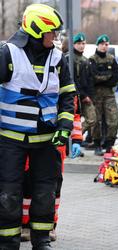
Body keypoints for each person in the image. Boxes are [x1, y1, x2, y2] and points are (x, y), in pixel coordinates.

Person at [0, 4, 76, 250]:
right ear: (36, 31)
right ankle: (8, 241)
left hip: (47, 140)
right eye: (51, 32)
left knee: (45, 192)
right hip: (10, 140)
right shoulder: (8, 54)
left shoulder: (58, 58)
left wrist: (65, 124)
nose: (55, 37)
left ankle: (41, 240)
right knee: (9, 193)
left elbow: (67, 94)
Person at [21, 96, 82, 242]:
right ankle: (25, 225)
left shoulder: (66, 87)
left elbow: (74, 114)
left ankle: (50, 226)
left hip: (55, 145)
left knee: (53, 189)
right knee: (26, 187)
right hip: (29, 144)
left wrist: (77, 139)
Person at [89, 34, 118, 155]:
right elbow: (93, 77)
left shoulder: (111, 59)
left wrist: (103, 78)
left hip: (109, 95)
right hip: (95, 95)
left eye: (106, 44)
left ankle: (109, 144)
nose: (104, 46)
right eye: (102, 44)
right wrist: (107, 76)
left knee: (113, 120)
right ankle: (97, 144)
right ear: (98, 45)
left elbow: (116, 76)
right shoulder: (92, 60)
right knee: (96, 121)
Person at [67, 32, 97, 148]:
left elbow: (89, 80)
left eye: (83, 43)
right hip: (75, 96)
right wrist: (84, 95)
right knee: (72, 120)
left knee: (92, 119)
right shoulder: (69, 58)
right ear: (74, 44)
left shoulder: (85, 60)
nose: (81, 46)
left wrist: (89, 95)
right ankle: (72, 142)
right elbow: (73, 80)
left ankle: (74, 138)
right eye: (79, 43)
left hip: (86, 96)